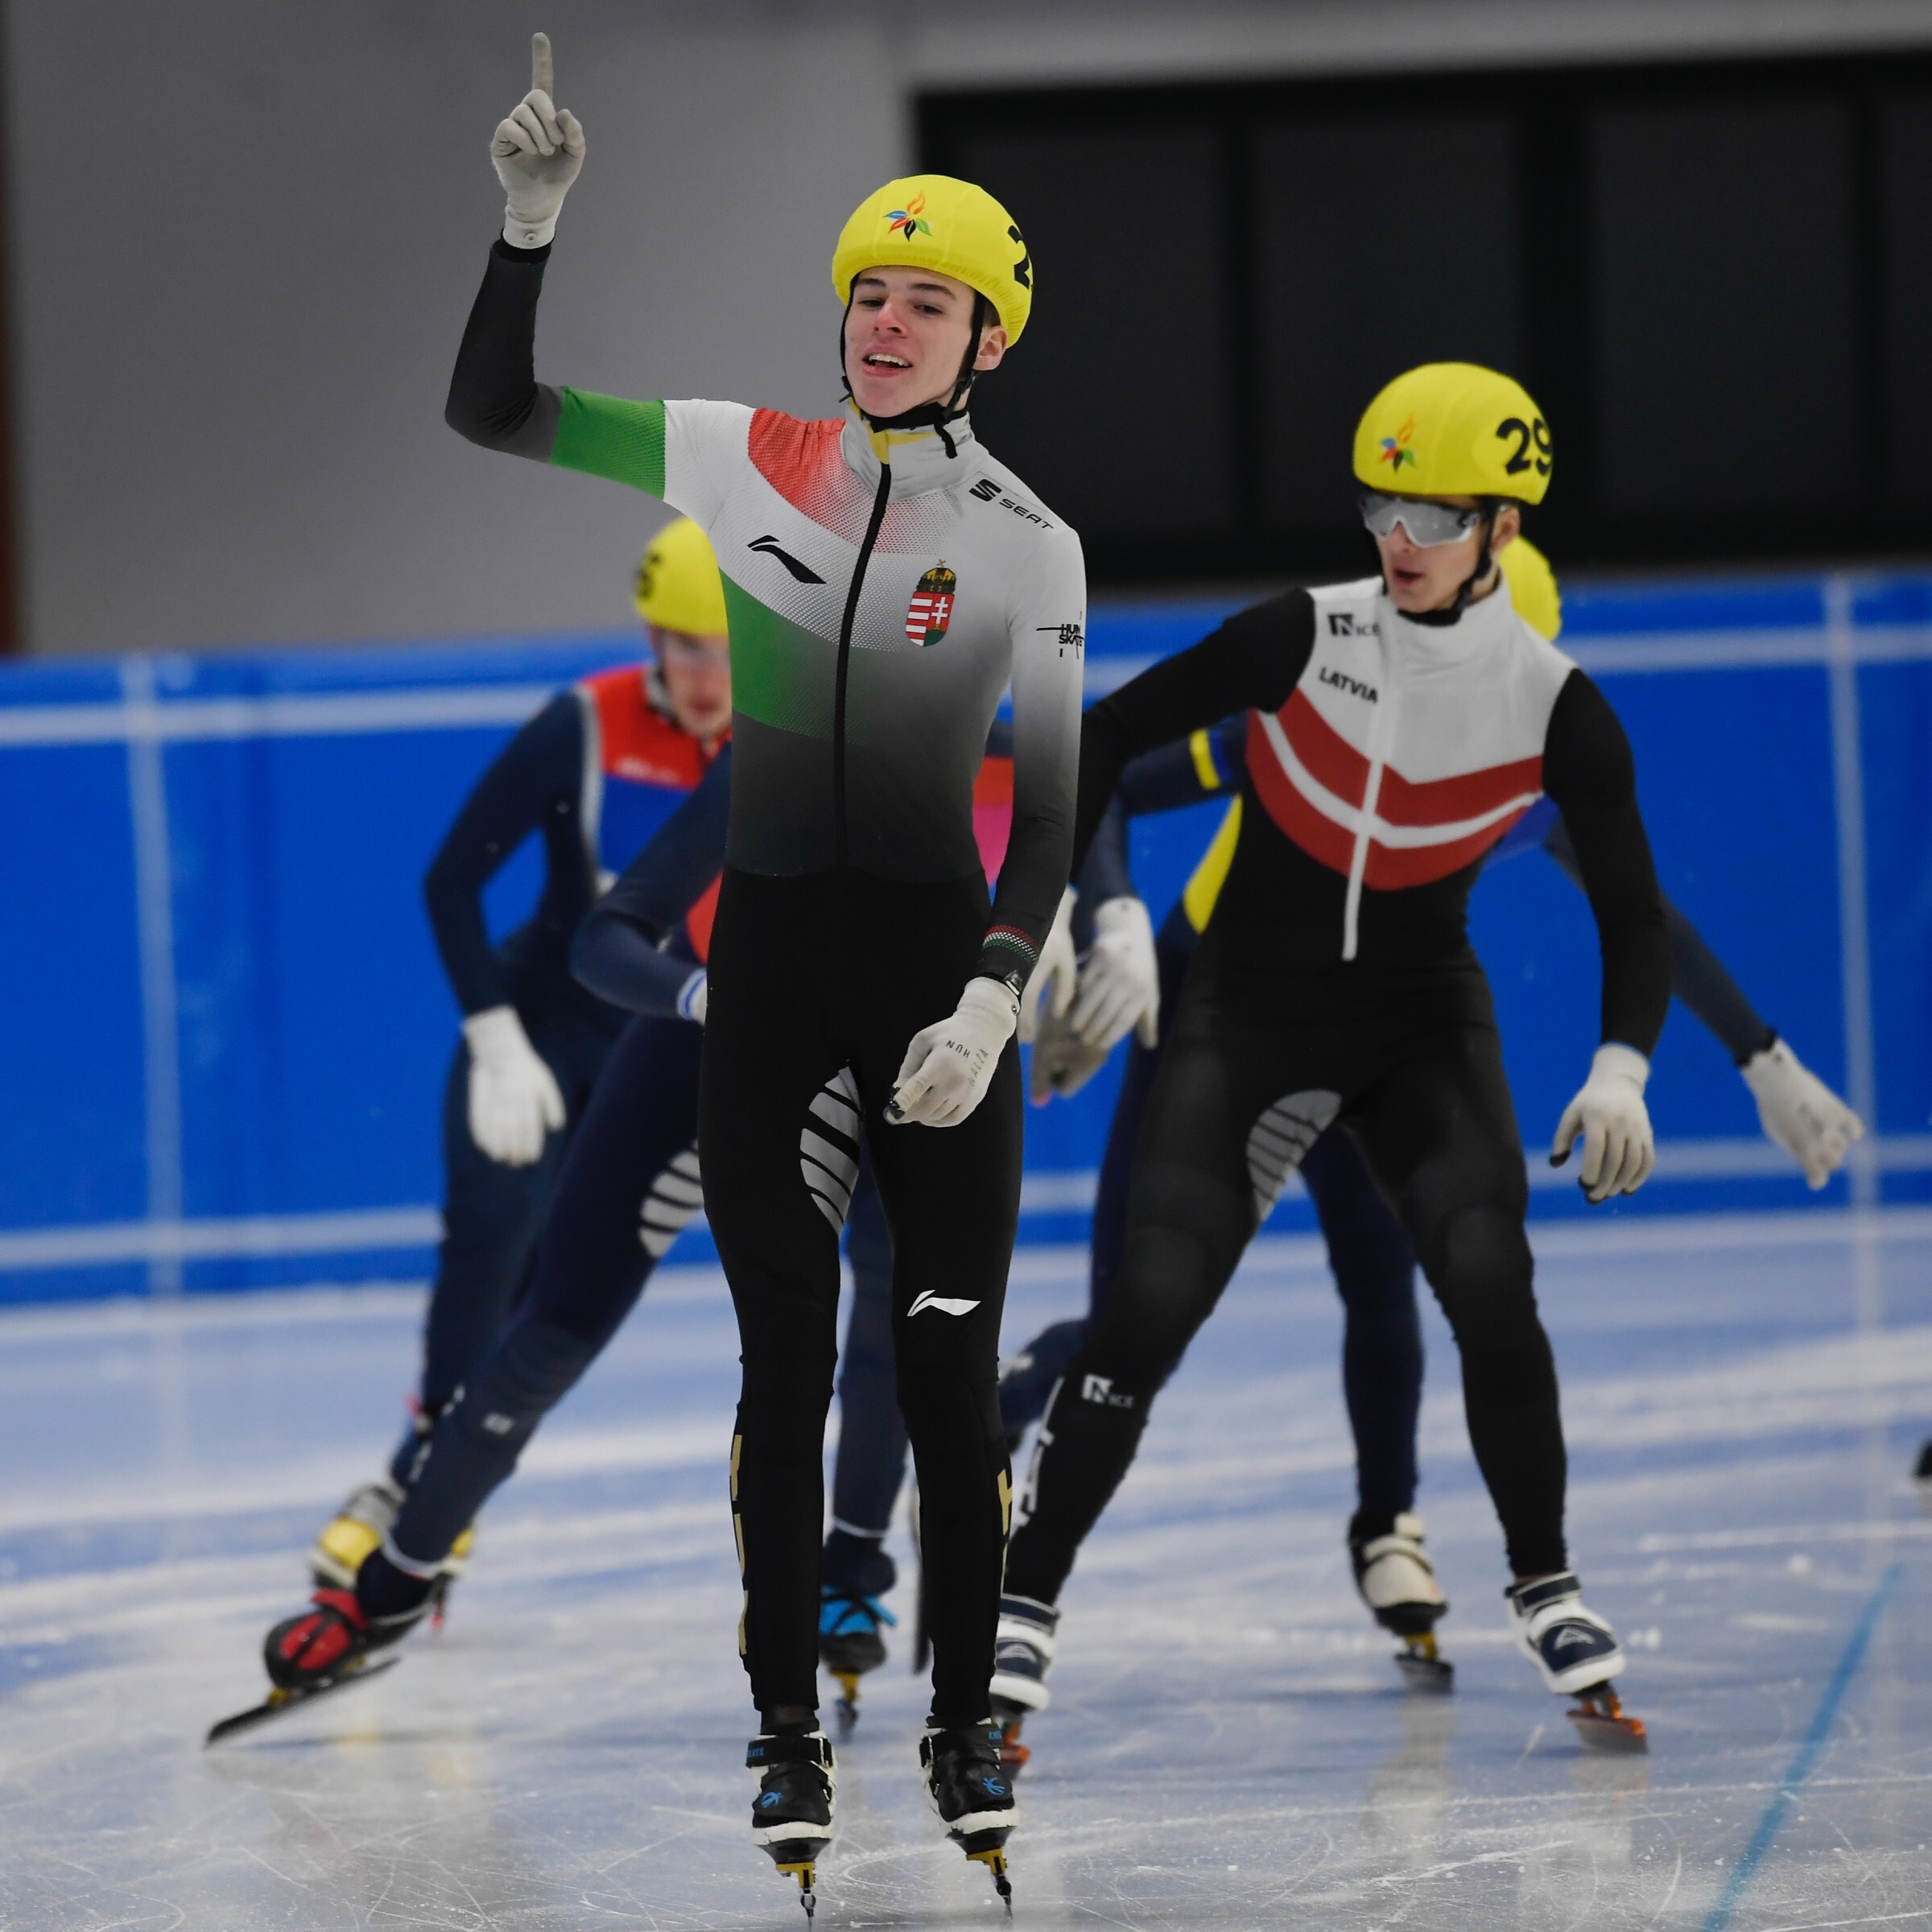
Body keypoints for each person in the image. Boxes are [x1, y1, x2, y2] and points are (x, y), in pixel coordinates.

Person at [273, 39, 1082, 1911]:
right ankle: (785, 1728)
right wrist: (526, 231)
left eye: (927, 303)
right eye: (867, 294)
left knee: (942, 1369)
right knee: (779, 1368)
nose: (885, 324)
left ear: (987, 342)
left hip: (936, 993)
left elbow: (1046, 809)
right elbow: (493, 411)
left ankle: (966, 1715)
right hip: (772, 985)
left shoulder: (1032, 544)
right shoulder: (743, 454)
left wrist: (992, 995)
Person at [1000, 536, 1866, 1711]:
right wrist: (1102, 922)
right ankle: (1026, 1412)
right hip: (1218, 997)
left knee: (1392, 1275)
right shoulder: (1308, 712)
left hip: (1383, 1028)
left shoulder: (1530, 756)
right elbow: (1104, 768)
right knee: (1142, 1311)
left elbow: (1645, 917)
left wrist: (1762, 1058)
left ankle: (1388, 1524)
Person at [987, 361, 1669, 1755]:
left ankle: (1544, 1581)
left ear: (1505, 529)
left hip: (1421, 1024)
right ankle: (1025, 1598)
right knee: (1148, 1306)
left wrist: (1623, 1067)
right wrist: (1064, 904)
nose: (1400, 540)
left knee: (1487, 1274)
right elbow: (1103, 734)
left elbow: (1635, 913)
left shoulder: (1560, 707)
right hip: (1248, 1014)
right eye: (1380, 508)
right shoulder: (1303, 634)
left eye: (1436, 516)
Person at [307, 515, 729, 1596]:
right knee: (492, 1228)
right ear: (652, 637)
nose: (708, 677)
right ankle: (419, 1485)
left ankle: (431, 1481)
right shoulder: (583, 724)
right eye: (686, 647)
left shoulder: (796, 749)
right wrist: (495, 1036)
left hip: (653, 1043)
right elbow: (451, 880)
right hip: (538, 1021)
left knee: (554, 1278)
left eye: (730, 651)